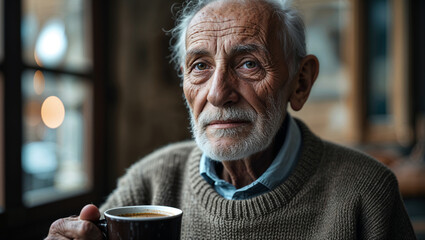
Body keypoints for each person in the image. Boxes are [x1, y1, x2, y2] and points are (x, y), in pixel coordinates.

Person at [46, 0, 417, 239]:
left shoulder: (367, 194)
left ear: (300, 82)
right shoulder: (151, 181)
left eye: (249, 63)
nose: (218, 92)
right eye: (201, 66)